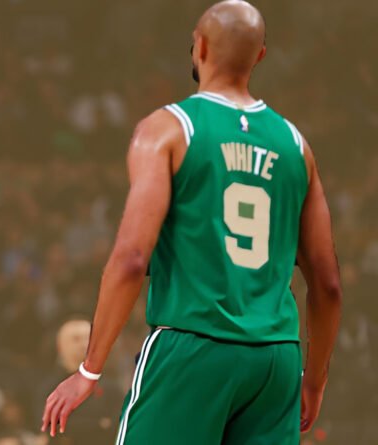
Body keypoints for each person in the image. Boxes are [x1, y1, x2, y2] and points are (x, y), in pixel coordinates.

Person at [41, 2, 342, 444]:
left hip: (193, 344)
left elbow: (131, 258)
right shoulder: (297, 147)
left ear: (198, 47)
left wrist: (89, 370)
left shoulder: (168, 129)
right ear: (260, 56)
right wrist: (313, 381)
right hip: (276, 361)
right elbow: (328, 283)